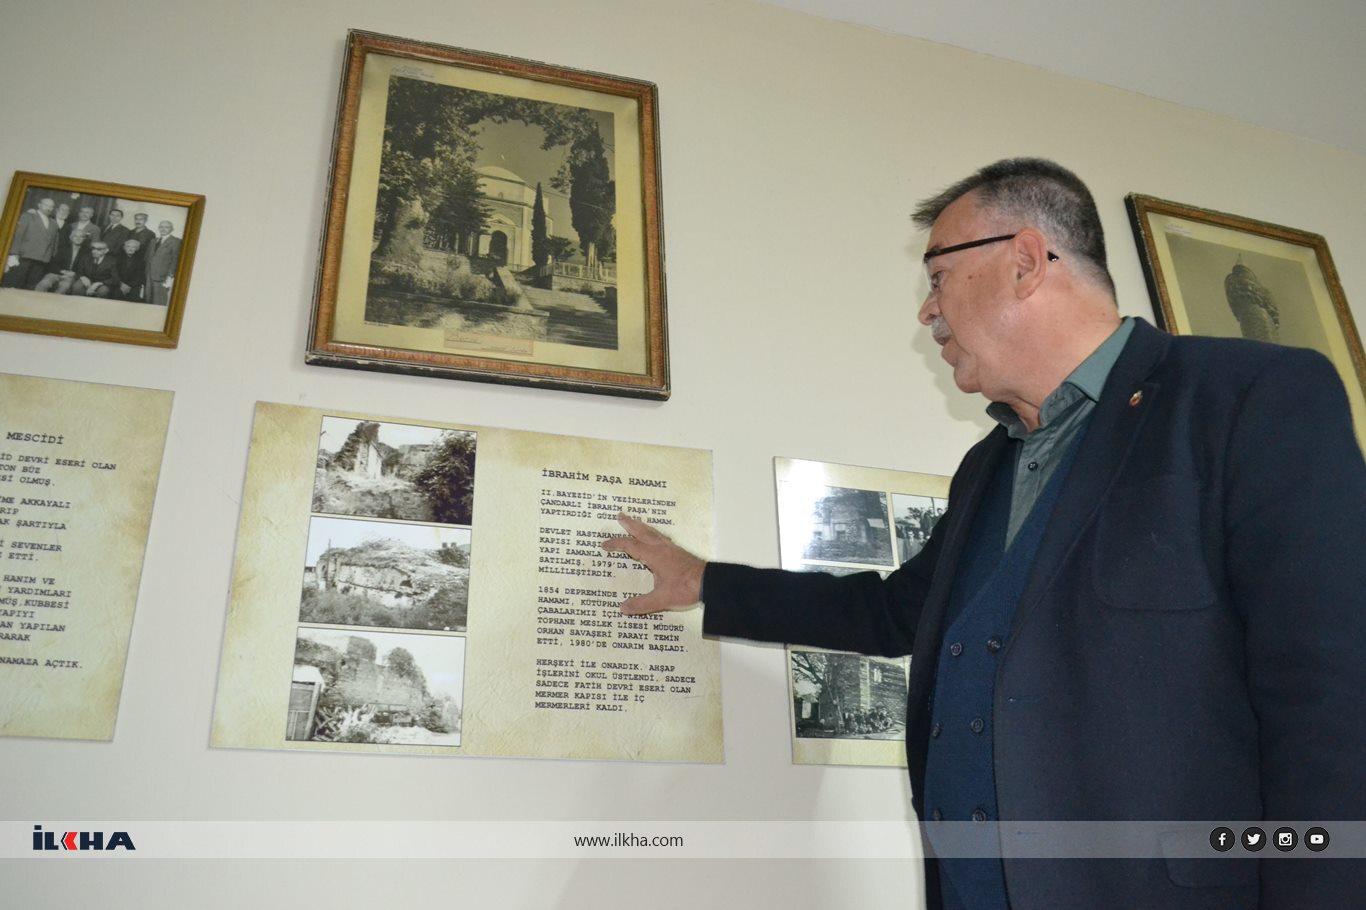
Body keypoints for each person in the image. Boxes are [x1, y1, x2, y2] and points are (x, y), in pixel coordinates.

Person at [603, 158, 1366, 910]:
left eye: (936, 276)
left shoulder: (1252, 397)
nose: (926, 311)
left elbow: (1329, 700)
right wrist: (707, 583)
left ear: (1026, 261)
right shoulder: (987, 468)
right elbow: (892, 611)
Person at [3, 196, 59, 289]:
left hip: (42, 259)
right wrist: (14, 253)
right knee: (14, 283)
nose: (48, 208)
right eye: (46, 205)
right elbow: (18, 235)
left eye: (51, 206)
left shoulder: (54, 223)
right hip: (24, 256)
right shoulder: (27, 216)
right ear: (39, 205)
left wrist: (51, 255)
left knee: (30, 286)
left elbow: (55, 241)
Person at [34, 228, 92, 294]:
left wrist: (74, 274)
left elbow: (85, 269)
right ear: (71, 237)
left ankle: (54, 303)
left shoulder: (87, 252)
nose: (78, 238)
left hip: (71, 277)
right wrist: (63, 272)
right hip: (56, 273)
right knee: (44, 283)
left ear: (84, 239)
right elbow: (54, 264)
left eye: (81, 236)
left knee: (64, 286)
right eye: (75, 236)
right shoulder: (63, 248)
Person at [144, 219, 180, 306]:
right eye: (161, 227)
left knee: (158, 303)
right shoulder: (153, 241)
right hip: (149, 277)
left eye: (166, 227)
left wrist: (170, 277)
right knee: (147, 301)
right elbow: (147, 258)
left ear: (172, 229)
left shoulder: (176, 241)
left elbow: (175, 260)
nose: (163, 229)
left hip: (162, 278)